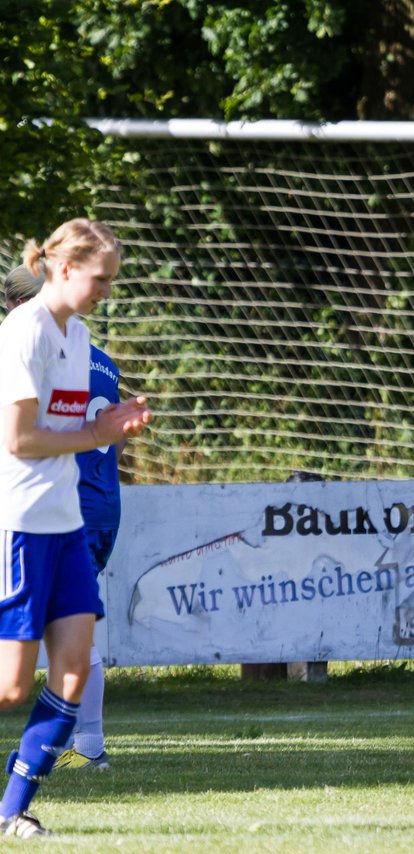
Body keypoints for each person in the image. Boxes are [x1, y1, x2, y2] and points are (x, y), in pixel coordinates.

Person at [0, 220, 151, 836]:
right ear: (64, 268)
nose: (105, 291)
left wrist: (113, 419)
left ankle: (11, 812)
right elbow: (19, 437)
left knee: (72, 675)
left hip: (68, 525)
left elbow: (71, 428)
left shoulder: (79, 334)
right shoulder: (23, 330)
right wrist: (94, 433)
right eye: (100, 279)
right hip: (23, 524)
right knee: (10, 688)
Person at [6, 264, 119, 771]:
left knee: (65, 653)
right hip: (93, 504)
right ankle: (90, 745)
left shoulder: (53, 346)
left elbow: (29, 437)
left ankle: (87, 747)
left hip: (57, 511)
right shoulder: (97, 359)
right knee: (25, 675)